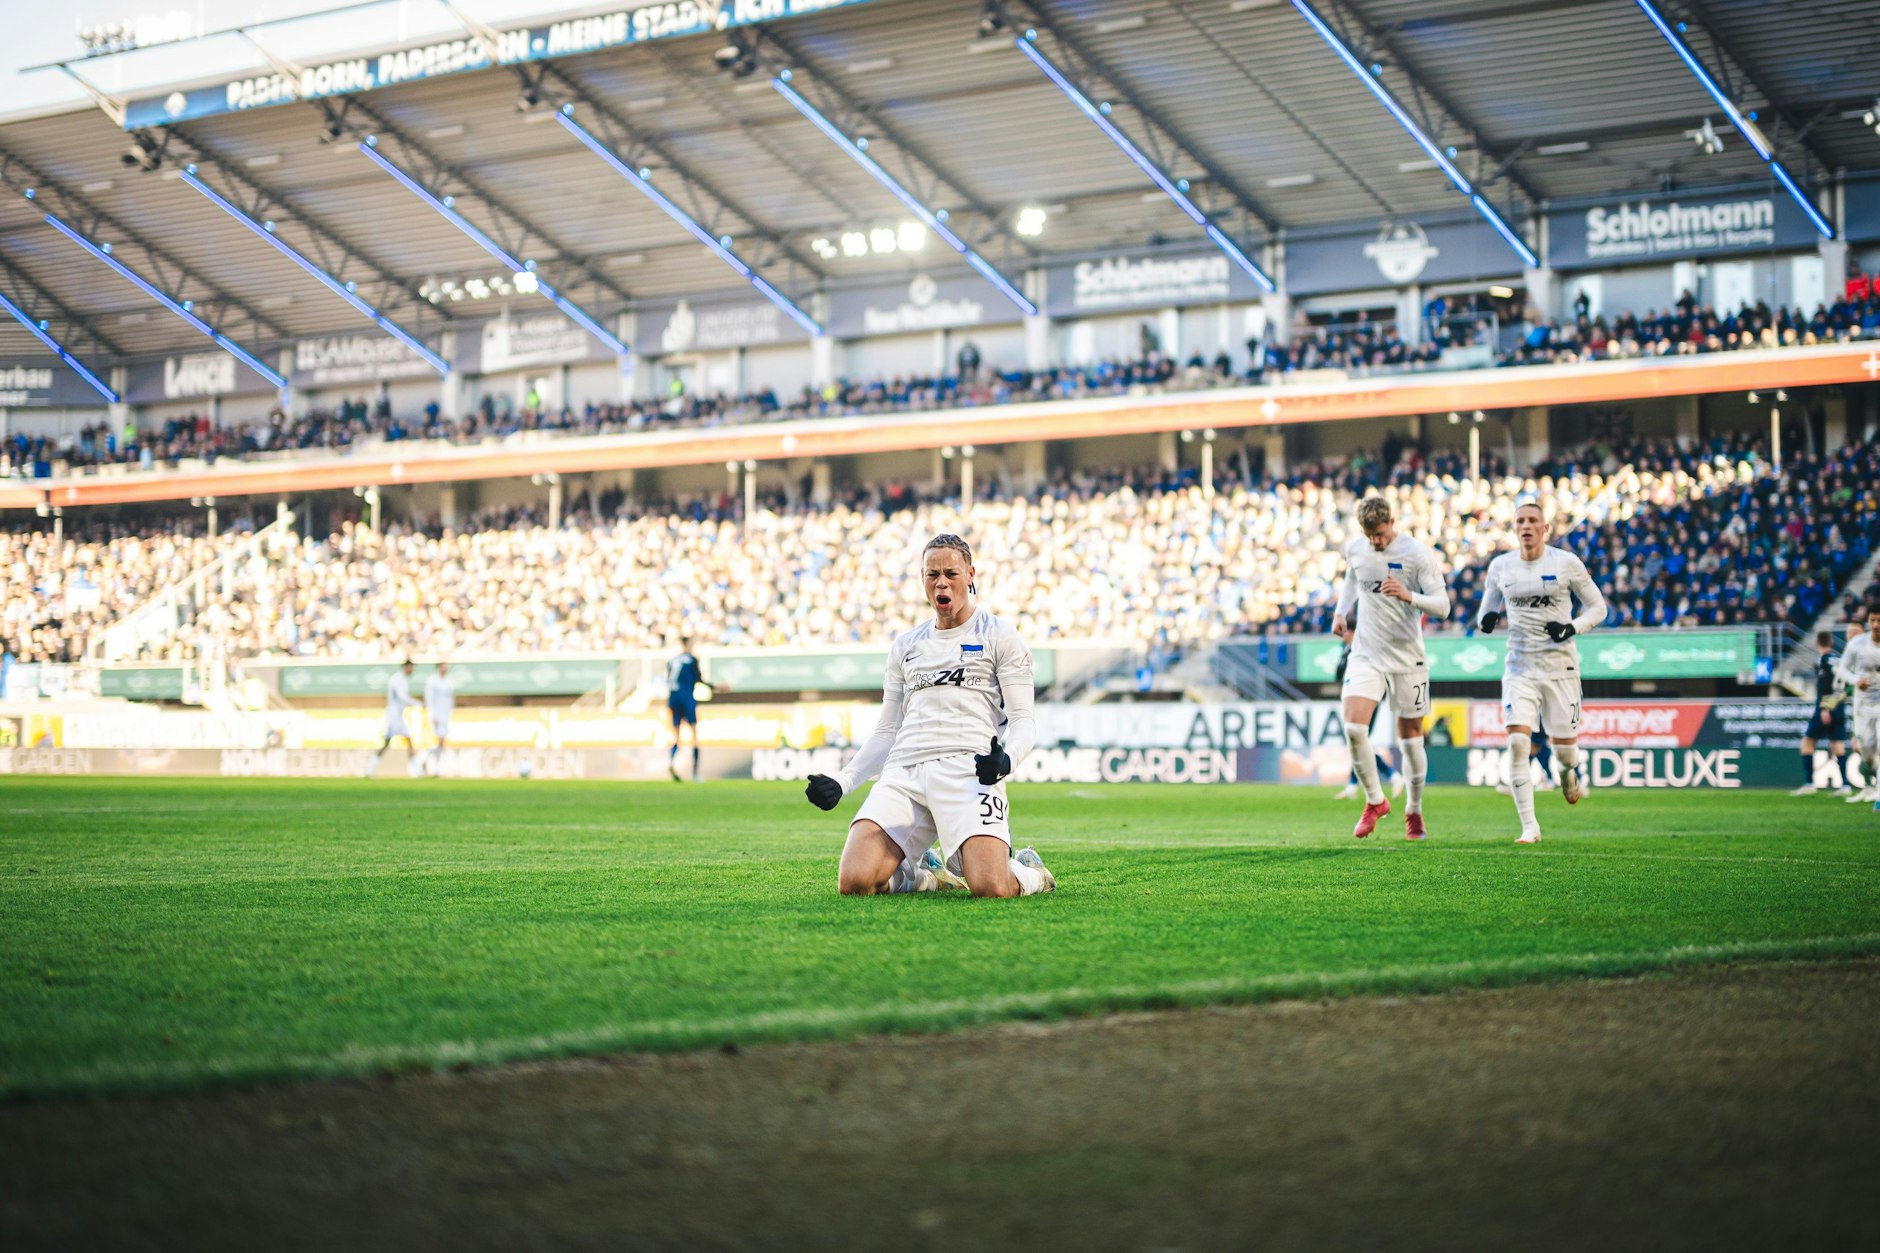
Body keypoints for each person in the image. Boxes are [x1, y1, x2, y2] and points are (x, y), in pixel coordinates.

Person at [804, 533, 1055, 898]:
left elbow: (1024, 722)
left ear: (970, 574)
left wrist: (1005, 760)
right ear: (922, 579)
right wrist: (843, 782)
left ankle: (1031, 872)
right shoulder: (906, 645)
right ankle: (925, 875)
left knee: (991, 887)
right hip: (905, 772)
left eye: (951, 573)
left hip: (968, 771)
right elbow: (887, 730)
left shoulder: (1000, 635)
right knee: (855, 882)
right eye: (931, 574)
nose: (941, 582)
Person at [1476, 500, 1609, 844]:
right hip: (1519, 667)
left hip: (1560, 668)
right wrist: (1487, 620)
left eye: (1533, 520)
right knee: (1518, 743)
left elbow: (1598, 608)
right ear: (1514, 527)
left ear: (1545, 528)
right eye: (1520, 520)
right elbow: (1485, 611)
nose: (1526, 526)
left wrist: (1571, 627)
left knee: (1565, 754)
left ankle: (1568, 776)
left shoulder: (1565, 563)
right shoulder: (1501, 567)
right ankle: (1529, 827)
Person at [1331, 497, 1449, 840]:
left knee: (1411, 742)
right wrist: (1341, 612)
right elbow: (1353, 579)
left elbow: (1443, 605)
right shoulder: (1358, 549)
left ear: (1392, 522)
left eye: (1380, 534)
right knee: (1354, 727)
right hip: (1366, 653)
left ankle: (1414, 809)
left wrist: (1410, 596)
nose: (1375, 542)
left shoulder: (1416, 554)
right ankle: (1375, 801)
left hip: (1407, 658)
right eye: (1369, 536)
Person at [1795, 631, 1854, 796]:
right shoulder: (1839, 659)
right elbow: (1844, 685)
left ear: (1817, 642)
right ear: (1831, 642)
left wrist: (1825, 709)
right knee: (1838, 746)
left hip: (1825, 708)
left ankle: (1809, 783)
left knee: (1807, 743)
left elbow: (1825, 686)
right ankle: (1845, 785)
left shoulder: (1823, 661)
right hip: (1839, 707)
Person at [1835, 607, 1880, 804]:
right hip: (1863, 704)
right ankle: (1871, 784)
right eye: (1873, 620)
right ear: (1868, 622)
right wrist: (1855, 680)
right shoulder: (1857, 643)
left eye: (1879, 620)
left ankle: (1878, 793)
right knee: (1867, 752)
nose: (1876, 625)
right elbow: (1842, 670)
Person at [666, 638, 714, 782]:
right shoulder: (691, 660)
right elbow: (698, 679)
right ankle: (695, 774)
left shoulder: (671, 661)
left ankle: (673, 762)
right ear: (688, 645)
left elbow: (669, 681)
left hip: (673, 700)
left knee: (676, 736)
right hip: (687, 700)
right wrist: (714, 686)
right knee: (694, 737)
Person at [366, 659, 418, 778]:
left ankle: (417, 771)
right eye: (412, 667)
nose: (413, 670)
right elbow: (402, 697)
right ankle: (370, 769)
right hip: (393, 717)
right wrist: (416, 703)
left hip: (399, 716)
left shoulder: (401, 679)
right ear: (407, 667)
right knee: (387, 743)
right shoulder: (397, 679)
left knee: (408, 740)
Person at [424, 660, 456, 778]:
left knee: (441, 742)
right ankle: (425, 760)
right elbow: (429, 699)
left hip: (445, 715)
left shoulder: (448, 683)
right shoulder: (432, 681)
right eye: (444, 666)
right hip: (435, 715)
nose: (446, 668)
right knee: (438, 740)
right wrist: (432, 714)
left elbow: (450, 699)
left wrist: (450, 712)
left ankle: (431, 765)